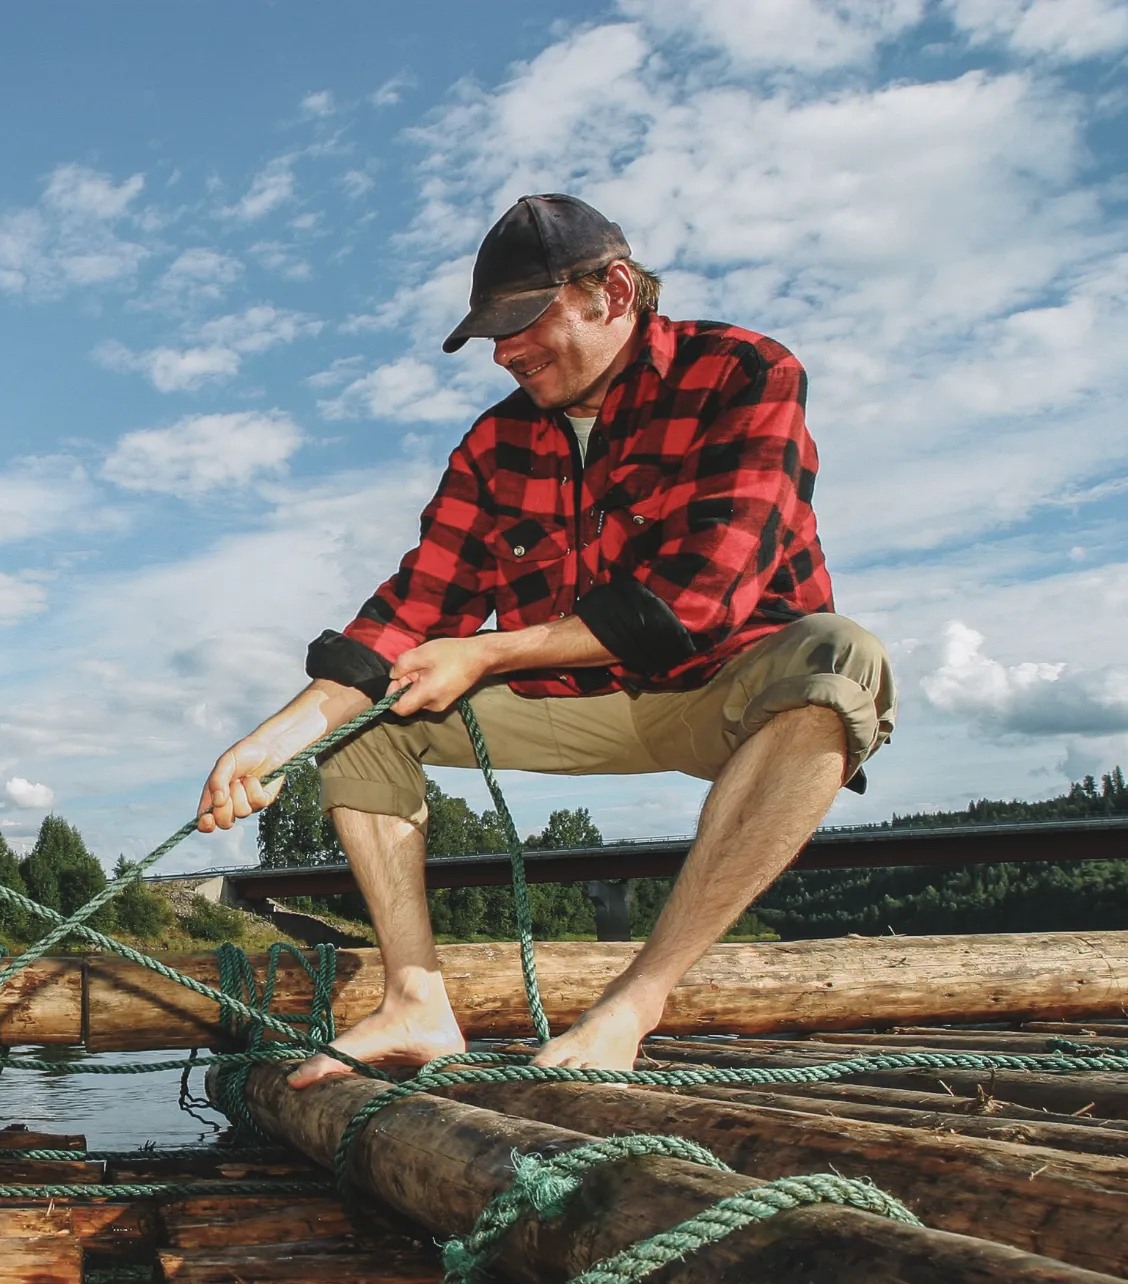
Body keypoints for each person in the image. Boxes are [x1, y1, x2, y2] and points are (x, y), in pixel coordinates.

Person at [198, 194, 893, 1081]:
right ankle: (416, 1002)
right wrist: (269, 742)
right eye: (491, 335)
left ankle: (633, 1006)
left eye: (525, 321)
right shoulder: (494, 443)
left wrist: (487, 650)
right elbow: (413, 609)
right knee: (363, 715)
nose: (505, 353)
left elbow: (699, 595)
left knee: (843, 659)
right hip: (575, 705)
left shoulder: (746, 373)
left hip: (728, 687)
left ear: (611, 291)